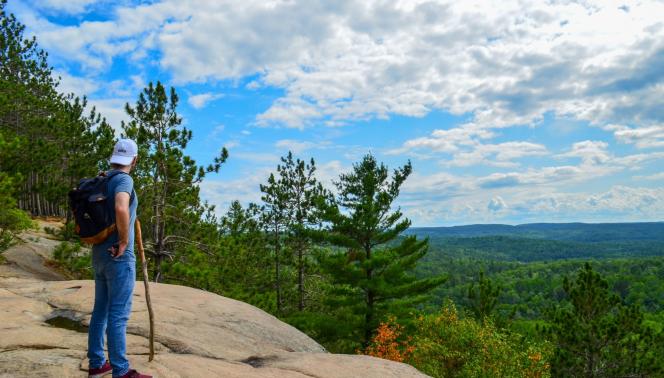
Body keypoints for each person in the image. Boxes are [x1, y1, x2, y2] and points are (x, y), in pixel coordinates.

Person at [87, 139, 151, 378]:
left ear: (113, 157)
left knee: (100, 311)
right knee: (118, 314)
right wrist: (124, 241)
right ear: (134, 160)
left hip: (100, 254)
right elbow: (121, 208)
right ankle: (121, 371)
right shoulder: (124, 179)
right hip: (119, 256)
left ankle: (96, 364)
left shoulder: (103, 179)